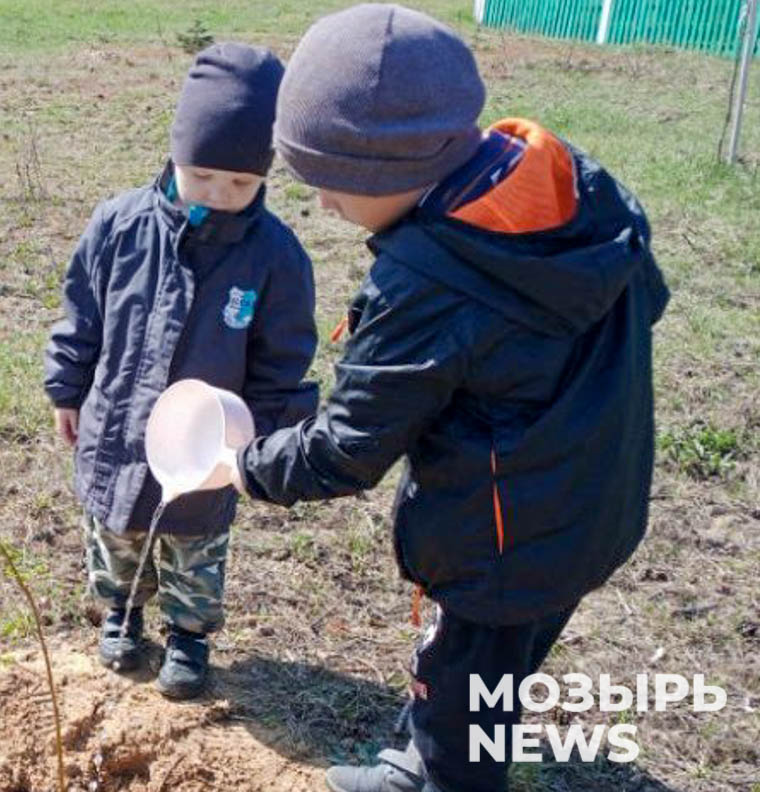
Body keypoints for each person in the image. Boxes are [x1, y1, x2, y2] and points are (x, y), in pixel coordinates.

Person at [223, 6, 669, 791]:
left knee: (465, 707)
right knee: (479, 673)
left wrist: (242, 466)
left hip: (500, 550)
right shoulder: (567, 180)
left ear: (384, 171)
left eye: (328, 181)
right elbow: (649, 299)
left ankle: (437, 775)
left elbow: (346, 449)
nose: (322, 204)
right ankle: (420, 759)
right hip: (591, 503)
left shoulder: (426, 283)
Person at [44, 43, 319, 699]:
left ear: (265, 175)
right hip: (118, 426)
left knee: (196, 541)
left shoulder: (276, 256)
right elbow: (82, 313)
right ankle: (122, 612)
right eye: (202, 175)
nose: (220, 196)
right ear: (174, 155)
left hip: (207, 447)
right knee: (117, 530)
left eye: (241, 184)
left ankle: (189, 635)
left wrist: (260, 437)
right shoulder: (119, 226)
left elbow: (283, 360)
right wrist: (66, 386)